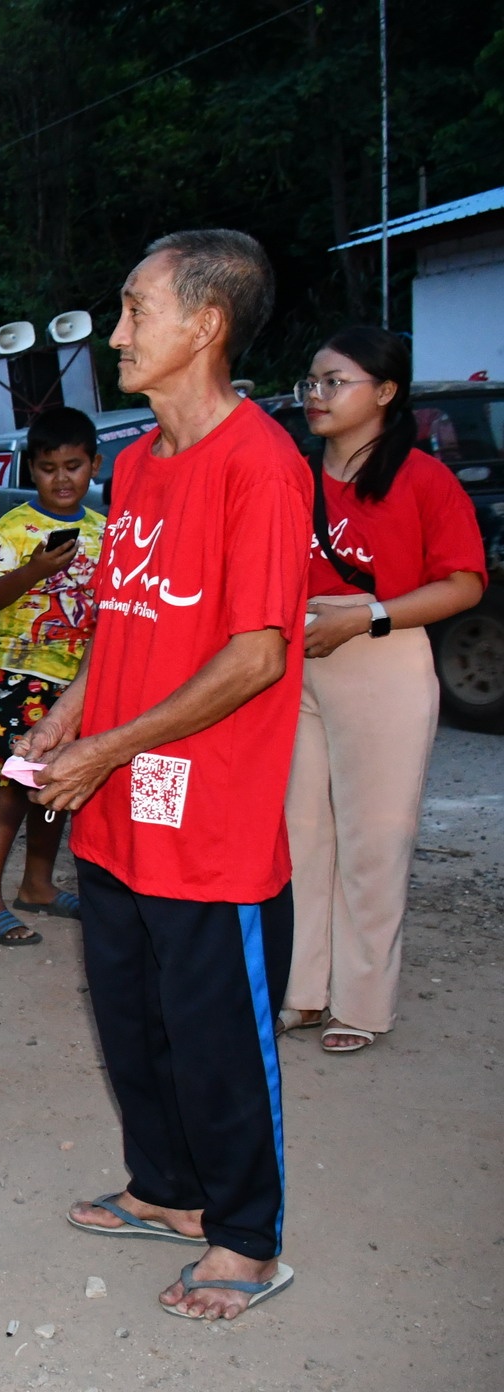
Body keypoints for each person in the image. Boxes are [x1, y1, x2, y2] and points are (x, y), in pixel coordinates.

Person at [27, 229, 309, 1321]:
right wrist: (72, 709)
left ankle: (247, 1238)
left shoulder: (263, 467)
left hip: (212, 824)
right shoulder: (137, 462)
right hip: (117, 809)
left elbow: (256, 655)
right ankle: (172, 1193)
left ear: (207, 325)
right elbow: (128, 617)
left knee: (218, 1037)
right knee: (133, 1017)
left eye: (138, 309)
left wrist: (110, 745)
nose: (118, 329)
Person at [280, 326, 486, 1053]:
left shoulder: (424, 479)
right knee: (300, 835)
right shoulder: (294, 474)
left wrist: (366, 615)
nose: (316, 395)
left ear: (386, 391)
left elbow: (464, 583)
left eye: (335, 382)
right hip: (294, 661)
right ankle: (303, 990)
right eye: (311, 382)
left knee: (375, 840)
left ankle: (362, 1005)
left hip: (382, 656)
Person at [0, 405, 107, 946]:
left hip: (80, 684)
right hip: (19, 678)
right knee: (15, 785)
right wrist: (35, 570)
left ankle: (38, 885)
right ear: (31, 470)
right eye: (48, 467)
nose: (62, 478)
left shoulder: (107, 532)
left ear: (95, 463)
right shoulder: (14, 529)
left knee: (59, 781)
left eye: (74, 465)